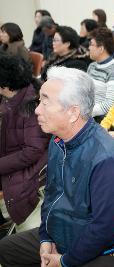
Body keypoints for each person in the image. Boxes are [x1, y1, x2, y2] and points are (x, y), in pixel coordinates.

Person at [0, 66, 114, 266]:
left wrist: (65, 261)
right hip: (65, 231)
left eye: (46, 102)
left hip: (107, 250)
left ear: (73, 112)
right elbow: (51, 194)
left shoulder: (107, 159)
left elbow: (103, 229)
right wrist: (46, 238)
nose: (37, 110)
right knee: (6, 249)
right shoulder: (58, 141)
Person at [0, 55, 48, 233]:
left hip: (24, 167)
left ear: (4, 85)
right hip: (9, 159)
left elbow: (32, 152)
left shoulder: (30, 107)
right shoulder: (9, 98)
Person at [87, 27, 114, 121]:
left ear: (101, 49)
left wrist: (85, 113)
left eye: (91, 45)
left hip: (99, 120)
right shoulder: (92, 66)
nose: (89, 48)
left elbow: (110, 104)